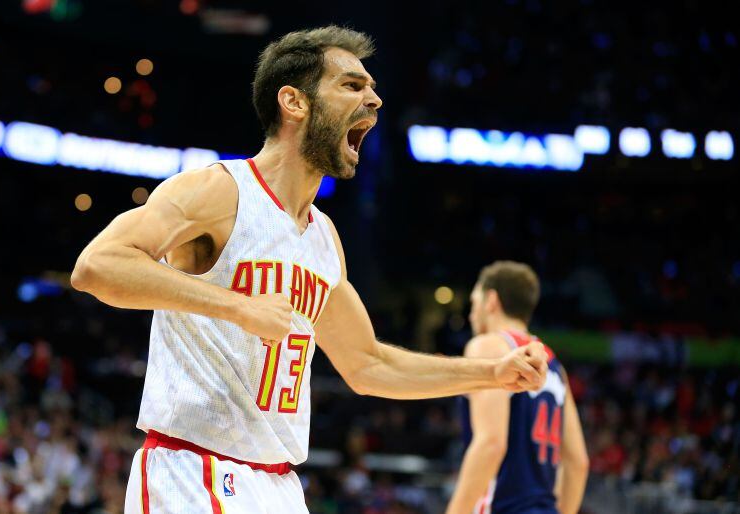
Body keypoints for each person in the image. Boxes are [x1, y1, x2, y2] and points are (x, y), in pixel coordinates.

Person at [70, 26, 548, 514]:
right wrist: (236, 306)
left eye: (373, 87)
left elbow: (369, 364)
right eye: (352, 85)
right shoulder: (219, 190)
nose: (375, 99)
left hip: (277, 486)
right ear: (294, 102)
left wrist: (491, 372)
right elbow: (98, 265)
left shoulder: (323, 239)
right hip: (195, 471)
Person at [446, 261, 589, 514]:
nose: (471, 314)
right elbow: (578, 462)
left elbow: (491, 443)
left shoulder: (488, 347)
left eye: (473, 303)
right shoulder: (552, 364)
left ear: (491, 300)